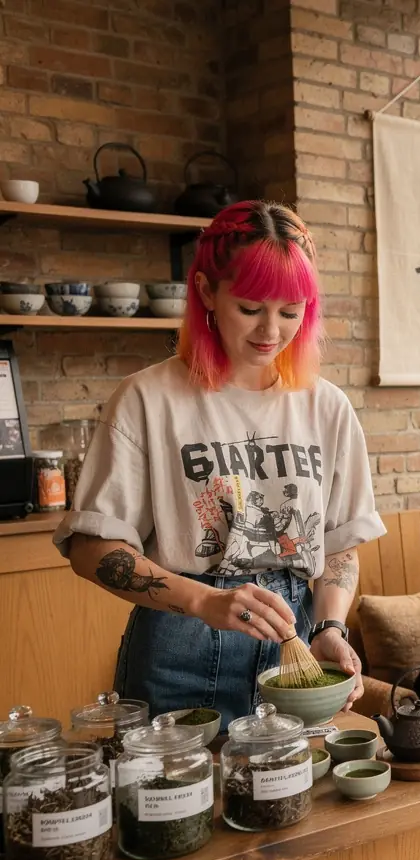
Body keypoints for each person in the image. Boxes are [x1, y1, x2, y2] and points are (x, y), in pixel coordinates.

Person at [55, 201, 385, 725]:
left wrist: (329, 629)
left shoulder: (327, 408)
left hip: (291, 647)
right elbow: (91, 549)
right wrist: (205, 601)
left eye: (290, 311)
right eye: (251, 308)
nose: (271, 331)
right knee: (176, 802)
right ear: (208, 291)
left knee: (292, 801)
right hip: (180, 648)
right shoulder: (149, 398)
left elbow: (340, 546)